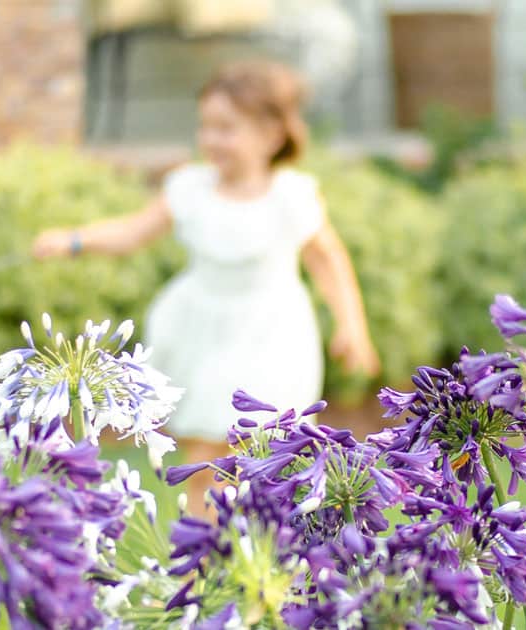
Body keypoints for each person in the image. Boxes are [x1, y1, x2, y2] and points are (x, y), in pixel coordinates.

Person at [32, 60, 380, 512]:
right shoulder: (190, 189)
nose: (211, 139)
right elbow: (133, 231)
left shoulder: (290, 197)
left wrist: (352, 327)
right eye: (206, 126)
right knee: (204, 458)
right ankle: (202, 554)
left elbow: (327, 260)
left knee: (256, 457)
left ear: (272, 136)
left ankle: (265, 552)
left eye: (227, 128)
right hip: (200, 331)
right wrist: (74, 240)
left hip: (269, 337)